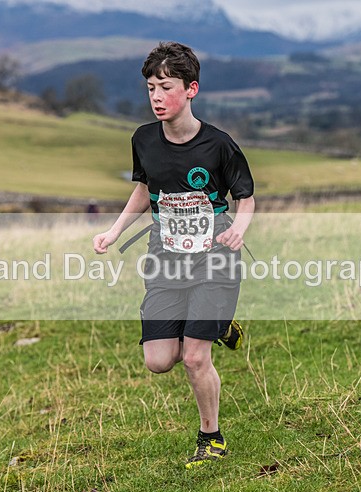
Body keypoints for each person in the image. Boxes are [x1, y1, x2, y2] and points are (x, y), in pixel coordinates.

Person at [92, 42, 255, 469]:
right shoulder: (143, 139)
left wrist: (238, 228)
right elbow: (145, 190)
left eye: (166, 87)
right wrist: (112, 231)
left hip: (214, 258)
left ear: (191, 89)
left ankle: (211, 437)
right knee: (159, 360)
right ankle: (220, 324)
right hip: (165, 258)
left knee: (195, 357)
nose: (157, 97)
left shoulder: (219, 145)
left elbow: (246, 198)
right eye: (151, 88)